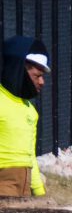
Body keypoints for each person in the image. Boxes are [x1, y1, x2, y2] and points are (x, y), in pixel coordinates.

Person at [0, 37, 48, 201]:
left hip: (24, 184)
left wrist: (39, 191)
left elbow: (29, 155)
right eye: (37, 76)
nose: (42, 82)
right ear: (20, 70)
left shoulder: (30, 109)